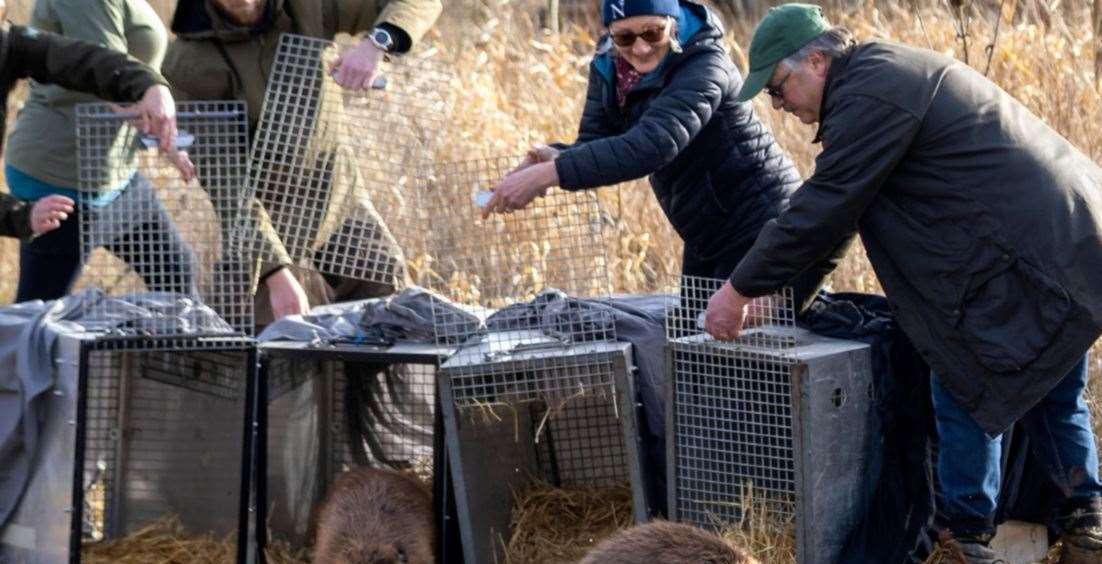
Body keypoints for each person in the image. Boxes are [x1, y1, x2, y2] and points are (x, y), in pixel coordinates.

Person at [704, 4, 1102, 564]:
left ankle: (968, 562)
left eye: (778, 87)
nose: (780, 105)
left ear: (815, 62)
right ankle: (1088, 552)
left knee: (965, 383)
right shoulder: (882, 78)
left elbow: (820, 208)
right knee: (1056, 395)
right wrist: (790, 300)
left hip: (1026, 257)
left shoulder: (870, 94)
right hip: (1064, 244)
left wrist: (738, 289)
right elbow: (843, 216)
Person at [481, 0, 805, 303]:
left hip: (763, 225)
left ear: (672, 23)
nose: (640, 47)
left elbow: (654, 144)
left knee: (743, 350)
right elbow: (598, 142)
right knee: (693, 344)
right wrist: (553, 156)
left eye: (653, 32)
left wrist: (548, 175)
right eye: (624, 36)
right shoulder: (610, 65)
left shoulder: (706, 64)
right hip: (706, 230)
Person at [163, 0, 443, 324]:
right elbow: (226, 184)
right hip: (265, 216)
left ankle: (364, 375)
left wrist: (375, 43)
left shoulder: (310, 7)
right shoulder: (188, 62)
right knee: (264, 332)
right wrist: (275, 271)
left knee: (389, 297)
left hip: (337, 196)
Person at [0, 0, 181, 286]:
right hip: (60, 178)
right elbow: (100, 77)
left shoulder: (12, 43)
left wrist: (151, 88)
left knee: (177, 274)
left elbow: (91, 62)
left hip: (117, 177)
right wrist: (21, 216)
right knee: (39, 313)